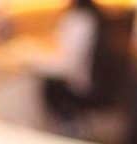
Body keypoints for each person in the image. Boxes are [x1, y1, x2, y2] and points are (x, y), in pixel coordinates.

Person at [31, 0, 107, 134]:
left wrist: (31, 58)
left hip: (77, 84)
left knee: (39, 83)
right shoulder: (95, 15)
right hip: (91, 80)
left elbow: (67, 66)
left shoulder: (78, 19)